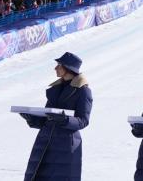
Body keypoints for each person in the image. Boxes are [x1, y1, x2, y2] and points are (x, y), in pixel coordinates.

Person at [21, 52, 93, 181]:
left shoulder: (83, 91)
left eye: (59, 65)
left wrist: (65, 120)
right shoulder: (56, 88)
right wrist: (33, 119)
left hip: (65, 145)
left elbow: (83, 121)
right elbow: (47, 118)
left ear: (68, 68)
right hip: (45, 142)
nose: (55, 68)